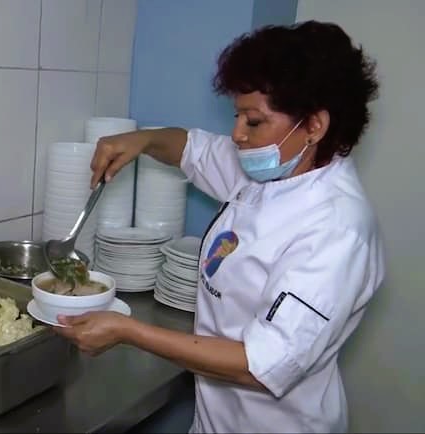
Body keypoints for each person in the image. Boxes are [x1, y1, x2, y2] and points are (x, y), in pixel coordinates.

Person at [53, 20, 384, 433]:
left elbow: (261, 365)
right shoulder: (270, 169)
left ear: (314, 126)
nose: (237, 135)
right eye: (237, 116)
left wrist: (128, 330)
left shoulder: (337, 229)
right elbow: (190, 148)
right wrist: (142, 141)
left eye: (254, 121)